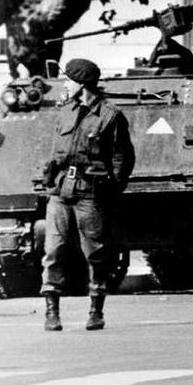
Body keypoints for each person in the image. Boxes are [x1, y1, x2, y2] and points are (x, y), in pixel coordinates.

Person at [40, 58, 134, 331]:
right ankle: (51, 312)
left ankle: (96, 310)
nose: (64, 84)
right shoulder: (65, 111)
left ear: (81, 84)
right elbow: (54, 151)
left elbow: (121, 158)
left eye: (68, 80)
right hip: (60, 190)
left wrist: (112, 190)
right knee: (53, 250)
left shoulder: (110, 116)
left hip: (90, 192)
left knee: (95, 253)